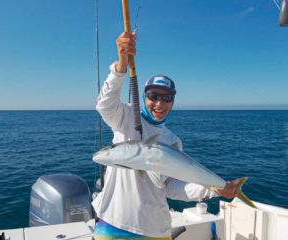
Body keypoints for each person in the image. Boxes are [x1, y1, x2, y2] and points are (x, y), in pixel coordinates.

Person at [92, 32, 242, 240]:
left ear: (173, 102)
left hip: (157, 231)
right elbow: (103, 104)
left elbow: (171, 187)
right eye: (153, 96)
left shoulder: (172, 140)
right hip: (113, 224)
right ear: (144, 97)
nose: (159, 104)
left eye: (166, 98)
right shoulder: (124, 116)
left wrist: (215, 190)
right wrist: (121, 64)